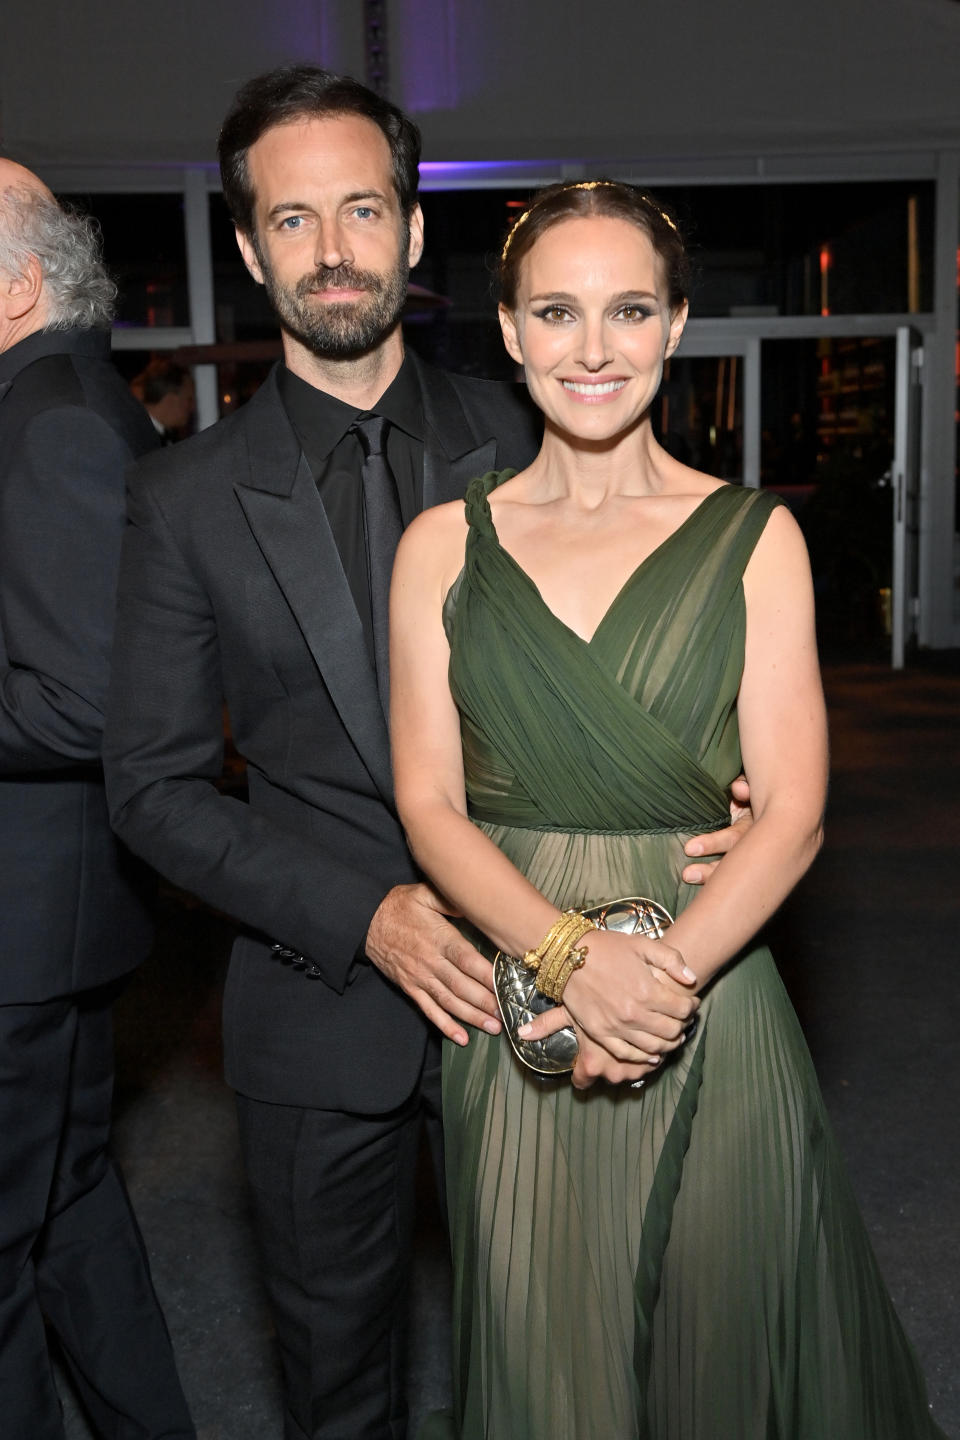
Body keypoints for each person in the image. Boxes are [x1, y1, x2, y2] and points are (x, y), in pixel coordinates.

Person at [389, 181, 947, 1439]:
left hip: (713, 984)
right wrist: (575, 960)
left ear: (677, 323)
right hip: (523, 1005)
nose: (594, 348)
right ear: (511, 330)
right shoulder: (439, 547)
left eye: (629, 309)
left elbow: (795, 811)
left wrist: (657, 983)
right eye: (559, 312)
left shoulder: (755, 538)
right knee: (544, 1359)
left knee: (725, 1348)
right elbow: (427, 806)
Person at [0, 161, 194, 1439]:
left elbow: (78, 704)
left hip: (25, 920)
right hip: (46, 915)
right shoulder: (57, 396)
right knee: (64, 1205)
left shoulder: (53, 416)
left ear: (17, 283)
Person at [130, 356, 196, 442]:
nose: (192, 408)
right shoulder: (140, 437)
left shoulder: (164, 435)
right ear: (170, 400)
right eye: (189, 399)